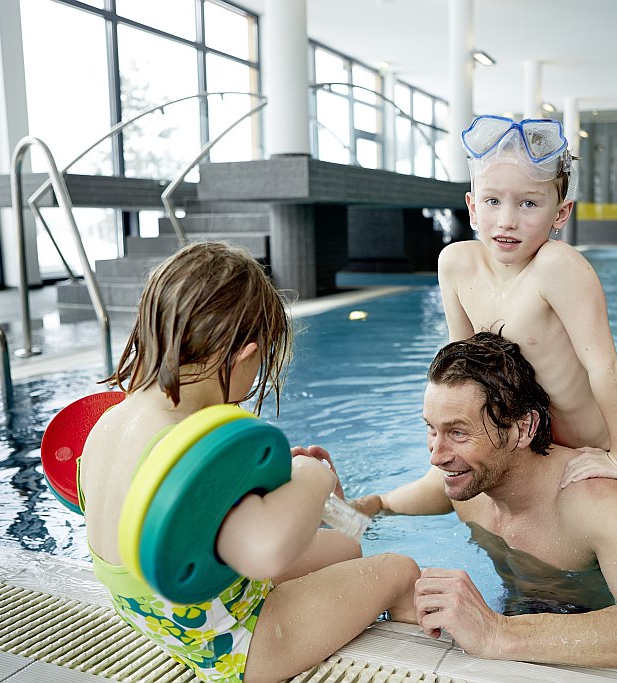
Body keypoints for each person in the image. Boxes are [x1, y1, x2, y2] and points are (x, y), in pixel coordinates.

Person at [78, 242, 419, 683]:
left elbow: (189, 522)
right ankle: (411, 660)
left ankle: (348, 543)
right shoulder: (183, 444)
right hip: (238, 643)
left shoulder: (113, 420)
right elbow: (265, 553)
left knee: (347, 547)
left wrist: (275, 489)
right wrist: (310, 478)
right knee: (400, 569)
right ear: (244, 355)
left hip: (165, 617)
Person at [349, 332, 617, 670]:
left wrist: (497, 632)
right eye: (431, 429)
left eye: (458, 433)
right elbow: (400, 499)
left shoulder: (589, 501)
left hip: (589, 622)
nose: (437, 455)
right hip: (522, 614)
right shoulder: (466, 481)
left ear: (523, 428)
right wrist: (361, 505)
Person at [438, 114, 617, 533]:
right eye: (493, 201)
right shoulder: (457, 264)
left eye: (529, 203)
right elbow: (463, 373)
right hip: (540, 455)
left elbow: (603, 367)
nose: (507, 220)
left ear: (561, 212)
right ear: (472, 206)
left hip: (602, 448)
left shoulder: (558, 267)